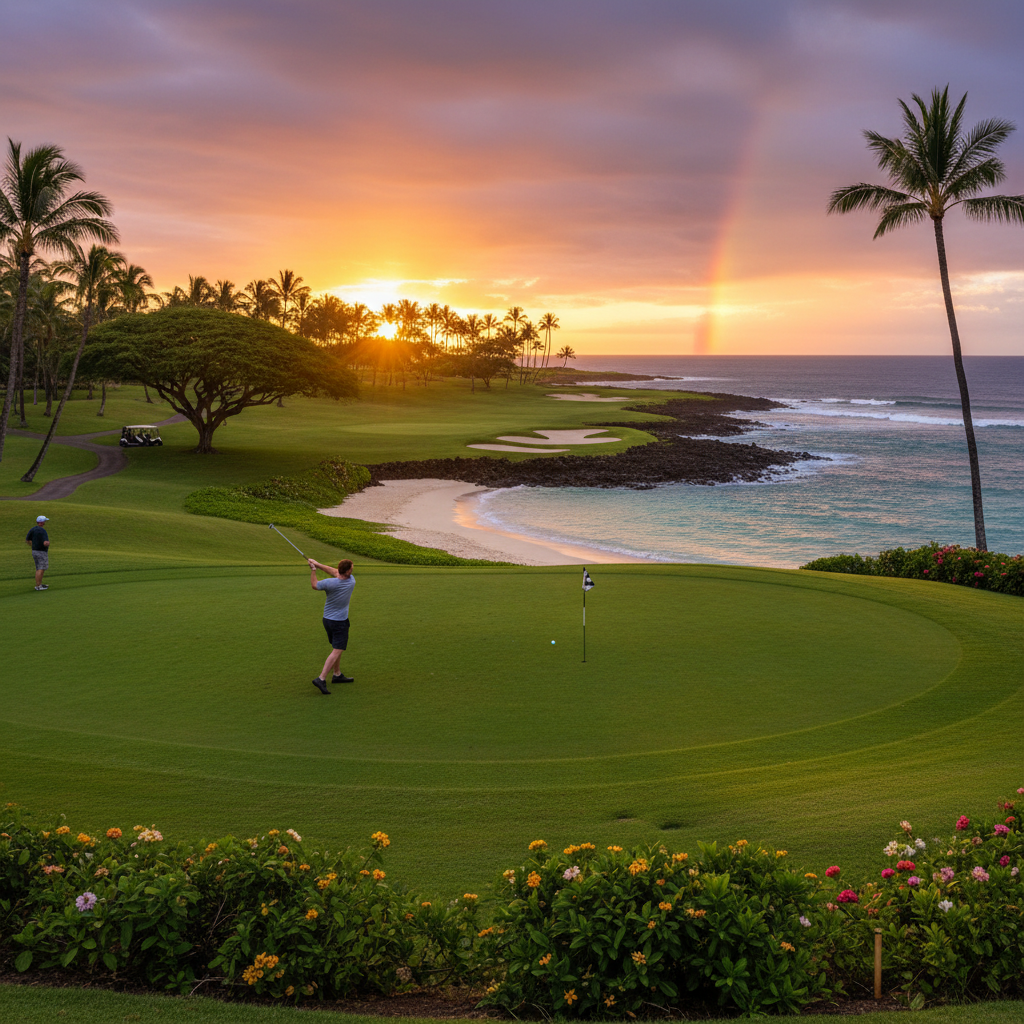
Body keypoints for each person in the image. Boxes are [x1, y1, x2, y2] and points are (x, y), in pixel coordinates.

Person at [308, 557, 355, 695]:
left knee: (336, 648)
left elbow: (315, 584)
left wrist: (314, 568)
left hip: (327, 620)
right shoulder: (351, 581)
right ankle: (321, 678)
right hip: (339, 622)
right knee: (337, 649)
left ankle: (337, 674)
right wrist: (316, 566)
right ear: (346, 571)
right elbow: (334, 572)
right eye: (351, 568)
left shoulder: (330, 583)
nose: (353, 570)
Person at [26, 514, 51, 591]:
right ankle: (38, 586)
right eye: (44, 521)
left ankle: (39, 584)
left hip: (34, 551)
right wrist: (48, 543)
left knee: (38, 568)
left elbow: (27, 540)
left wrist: (33, 546)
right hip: (41, 552)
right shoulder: (42, 531)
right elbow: (45, 543)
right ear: (42, 522)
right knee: (41, 568)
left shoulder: (33, 529)